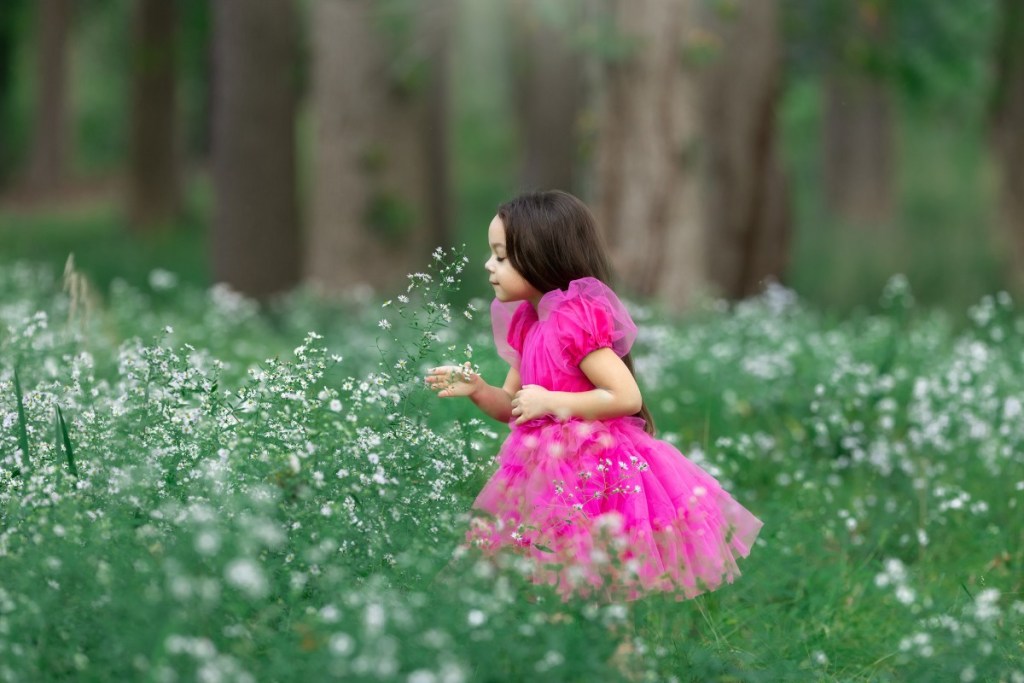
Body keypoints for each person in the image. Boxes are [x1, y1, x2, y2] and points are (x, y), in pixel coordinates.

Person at [426, 190, 762, 601]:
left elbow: (626, 397)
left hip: (593, 472)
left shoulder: (573, 320)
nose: (489, 266)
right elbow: (513, 408)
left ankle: (613, 658)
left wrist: (553, 402)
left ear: (540, 256)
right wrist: (479, 390)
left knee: (592, 580)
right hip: (540, 470)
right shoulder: (528, 324)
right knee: (523, 568)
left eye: (501, 256)